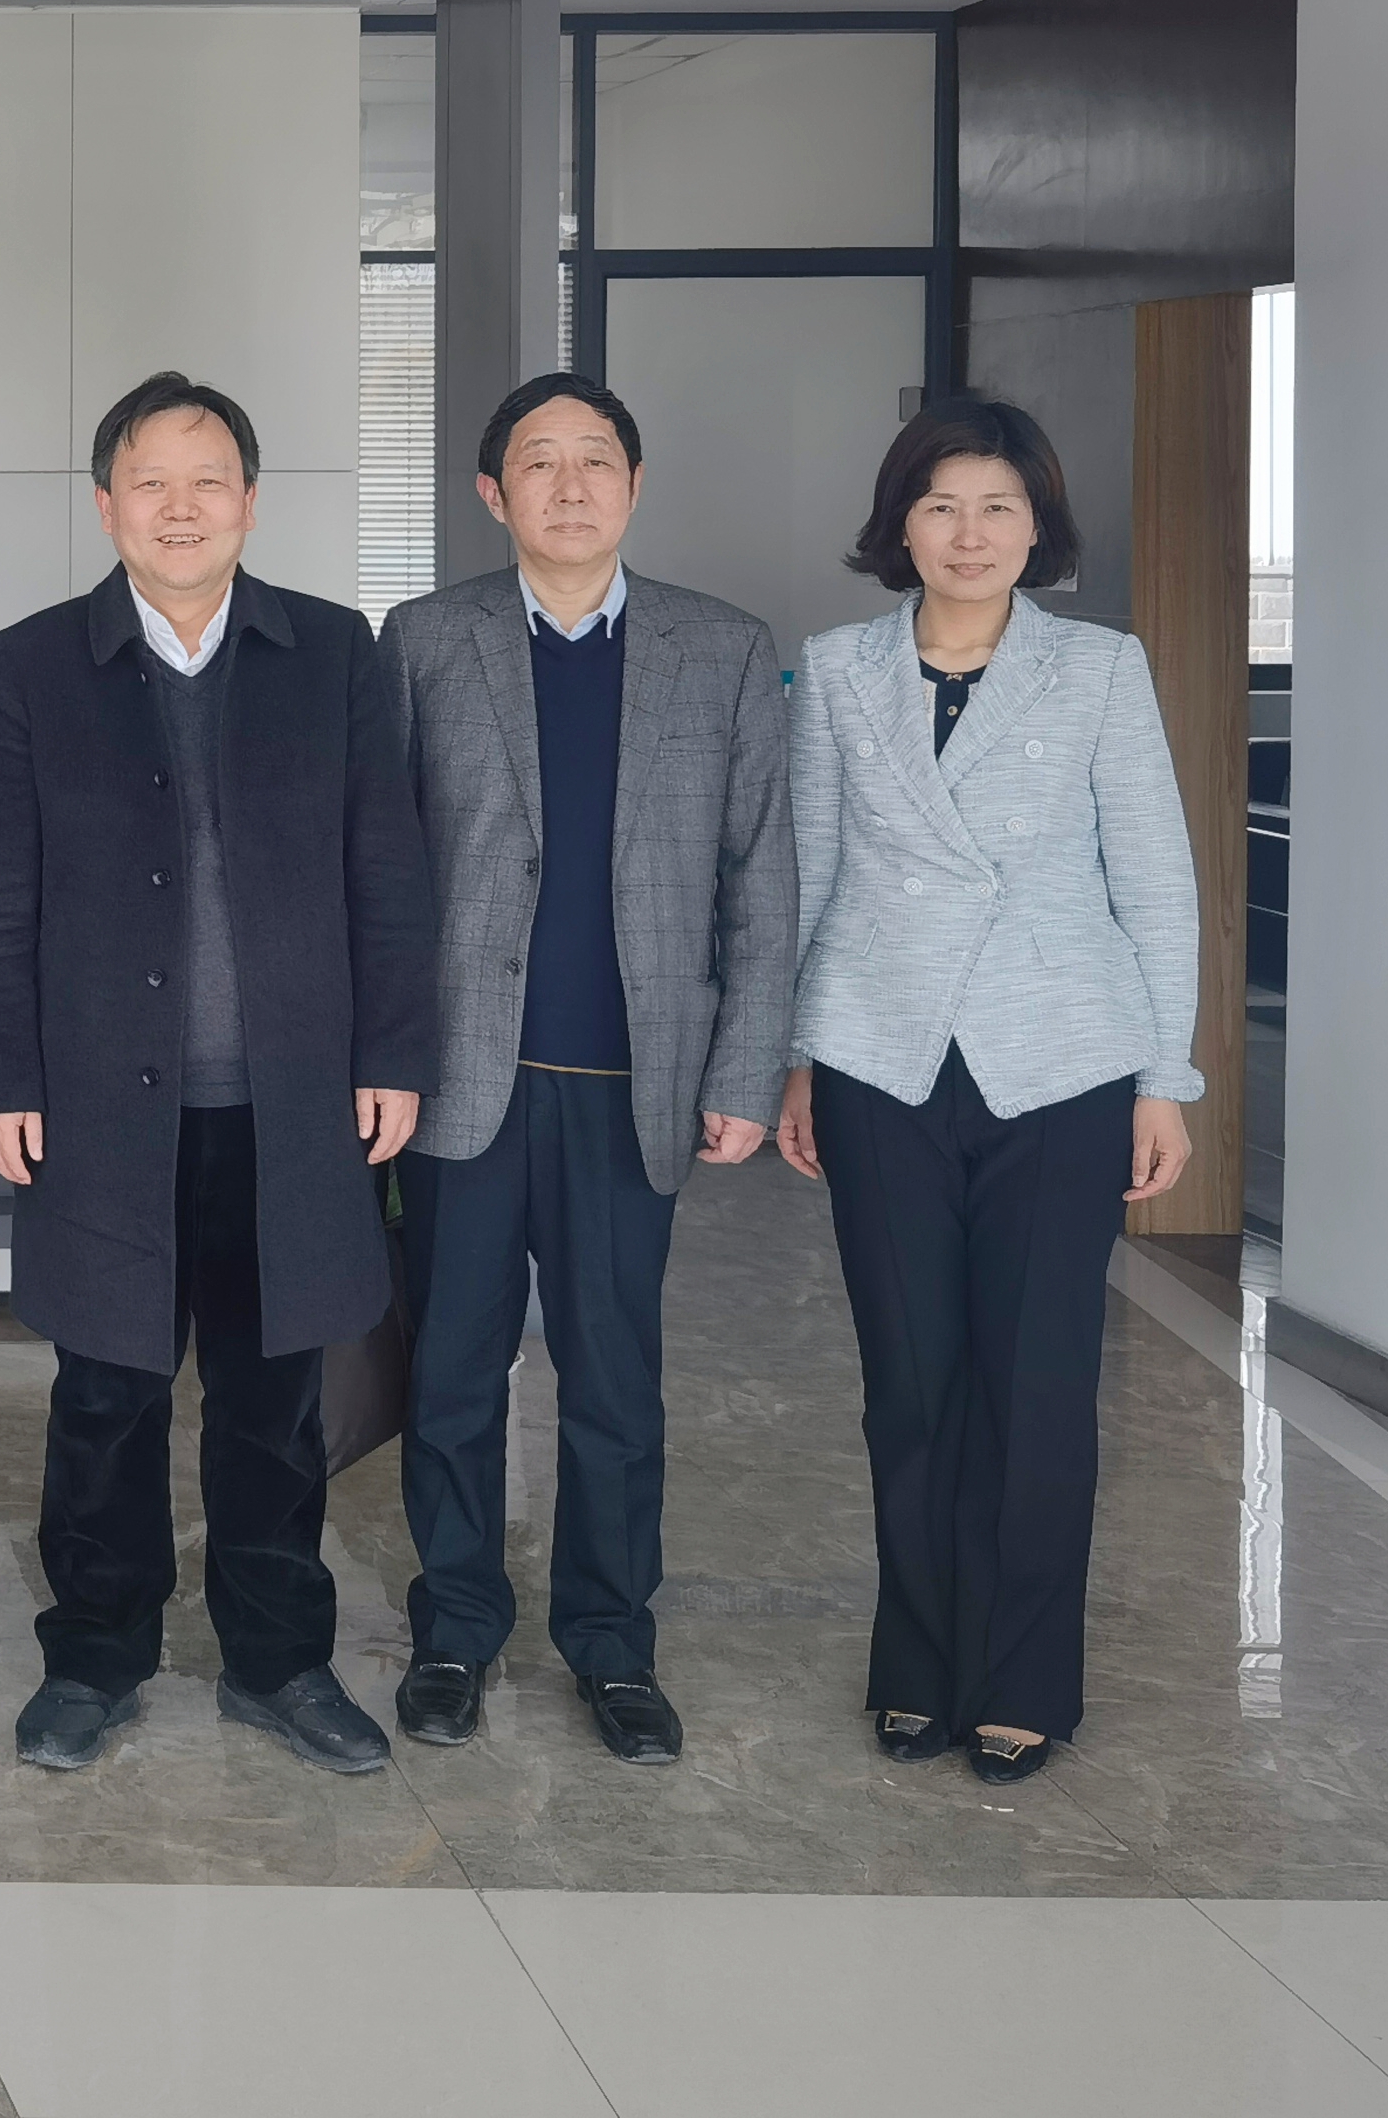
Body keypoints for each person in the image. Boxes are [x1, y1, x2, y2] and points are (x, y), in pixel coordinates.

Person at [0, 372, 437, 1776]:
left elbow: (386, 867)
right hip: (102, 1108)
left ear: (250, 503)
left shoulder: (333, 652)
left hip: (290, 1102)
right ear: (106, 505)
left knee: (274, 1406)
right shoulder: (33, 664)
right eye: (150, 483)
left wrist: (393, 1050)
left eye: (207, 479)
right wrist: (2, 1075)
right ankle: (94, 1658)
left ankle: (278, 1662)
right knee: (105, 1401)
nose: (180, 507)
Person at [774, 395, 1199, 1783]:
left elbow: (1155, 878)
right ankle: (916, 1664)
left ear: (1036, 527)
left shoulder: (1100, 669)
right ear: (901, 525)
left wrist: (1164, 1077)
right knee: (909, 1382)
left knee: (1037, 1384)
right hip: (881, 1058)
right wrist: (797, 1057)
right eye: (942, 506)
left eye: (998, 509)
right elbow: (811, 874)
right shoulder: (837, 669)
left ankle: (1023, 1680)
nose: (970, 534)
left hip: (1061, 1062)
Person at [375, 370, 795, 1765]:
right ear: (491, 493)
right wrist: (377, 1058)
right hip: (462, 1084)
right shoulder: (425, 640)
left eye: (596, 459)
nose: (569, 485)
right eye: (538, 462)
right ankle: (454, 1630)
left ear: (634, 484)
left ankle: (613, 1645)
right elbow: (380, 869)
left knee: (616, 1386)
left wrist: (744, 1069)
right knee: (452, 1374)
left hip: (633, 1087)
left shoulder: (721, 648)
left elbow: (760, 877)